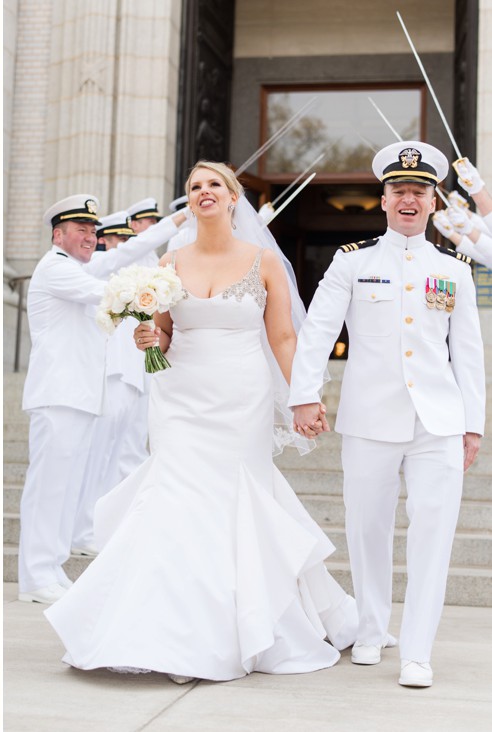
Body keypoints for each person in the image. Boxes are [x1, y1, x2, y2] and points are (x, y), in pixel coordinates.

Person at [44, 161, 357, 682]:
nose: (204, 191)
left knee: (234, 502)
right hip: (179, 398)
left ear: (235, 198)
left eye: (215, 184)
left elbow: (282, 338)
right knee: (175, 501)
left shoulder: (264, 262)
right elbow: (163, 336)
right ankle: (172, 635)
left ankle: (231, 631)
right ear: (188, 200)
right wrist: (147, 339)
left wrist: (305, 396)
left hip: (241, 396)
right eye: (195, 186)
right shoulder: (169, 262)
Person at [289, 141, 486, 688]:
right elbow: (318, 331)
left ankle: (418, 651)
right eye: (398, 190)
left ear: (432, 202)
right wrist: (306, 393)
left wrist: (473, 424)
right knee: (368, 528)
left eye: (418, 192)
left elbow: (467, 352)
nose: (408, 199)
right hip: (370, 419)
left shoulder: (454, 269)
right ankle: (373, 631)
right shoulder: (353, 261)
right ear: (382, 199)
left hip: (438, 423)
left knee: (434, 532)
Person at [18, 194, 190, 604]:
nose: (89, 237)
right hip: (59, 395)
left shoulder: (76, 265)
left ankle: (51, 568)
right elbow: (108, 294)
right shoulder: (55, 268)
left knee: (67, 487)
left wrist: (178, 220)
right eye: (81, 230)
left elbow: (123, 254)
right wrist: (155, 293)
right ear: (58, 234)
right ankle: (36, 575)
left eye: (93, 231)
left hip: (78, 396)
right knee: (49, 488)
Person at [71, 211, 148, 557]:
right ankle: (83, 529)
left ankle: (111, 525)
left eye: (129, 240)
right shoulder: (100, 265)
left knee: (125, 453)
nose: (126, 247)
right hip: (111, 372)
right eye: (120, 240)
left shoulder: (136, 274)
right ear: (106, 240)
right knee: (99, 455)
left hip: (135, 373)